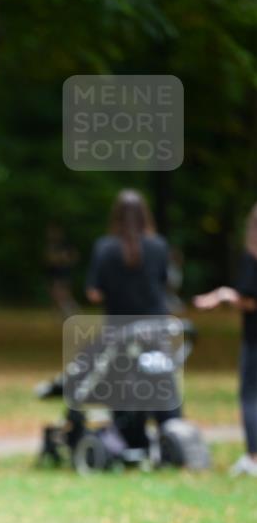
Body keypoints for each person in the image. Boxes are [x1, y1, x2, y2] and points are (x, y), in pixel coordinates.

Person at [86, 188, 179, 449]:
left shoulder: (105, 248)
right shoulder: (159, 245)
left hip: (119, 329)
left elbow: (93, 292)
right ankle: (171, 434)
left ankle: (128, 440)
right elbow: (164, 283)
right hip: (155, 327)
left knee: (121, 384)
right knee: (161, 381)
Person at [194, 203, 257, 477]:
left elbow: (249, 300)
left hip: (255, 339)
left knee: (251, 396)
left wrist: (221, 295)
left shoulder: (251, 258)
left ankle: (254, 457)